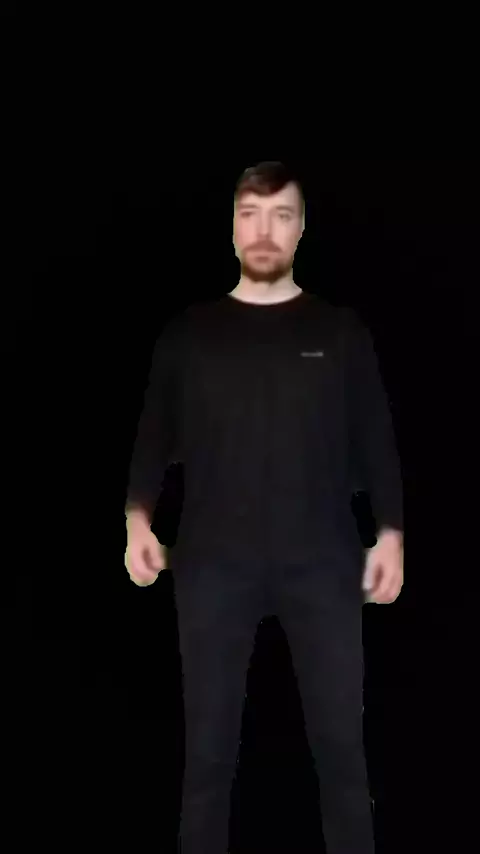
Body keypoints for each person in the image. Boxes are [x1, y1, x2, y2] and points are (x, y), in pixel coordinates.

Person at [125, 161, 404, 854]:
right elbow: (153, 433)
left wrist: (392, 533)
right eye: (250, 213)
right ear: (231, 227)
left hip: (324, 562)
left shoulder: (340, 330)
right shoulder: (189, 332)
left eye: (281, 215)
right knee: (207, 755)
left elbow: (377, 436)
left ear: (302, 228)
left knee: (342, 752)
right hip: (212, 564)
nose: (264, 230)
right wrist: (137, 519)